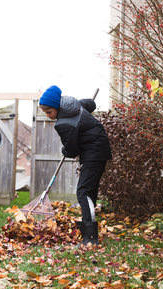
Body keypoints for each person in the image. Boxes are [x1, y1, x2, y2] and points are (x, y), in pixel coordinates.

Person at [39, 85, 112, 246]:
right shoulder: (73, 105)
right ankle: (88, 231)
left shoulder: (64, 123)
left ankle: (90, 237)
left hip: (94, 151)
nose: (48, 116)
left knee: (83, 191)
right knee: (88, 191)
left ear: (57, 107)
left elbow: (72, 150)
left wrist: (65, 149)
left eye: (49, 112)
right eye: (45, 113)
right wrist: (85, 107)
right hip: (98, 149)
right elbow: (90, 105)